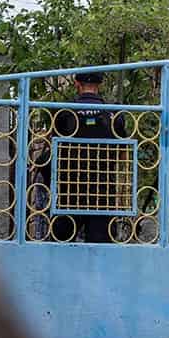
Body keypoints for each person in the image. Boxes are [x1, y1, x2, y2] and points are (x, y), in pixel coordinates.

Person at [53, 71, 133, 244]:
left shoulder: (65, 112)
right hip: (102, 191)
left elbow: (54, 146)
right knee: (101, 247)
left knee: (60, 245)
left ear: (77, 84)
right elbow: (123, 150)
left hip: (70, 190)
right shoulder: (113, 114)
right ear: (100, 85)